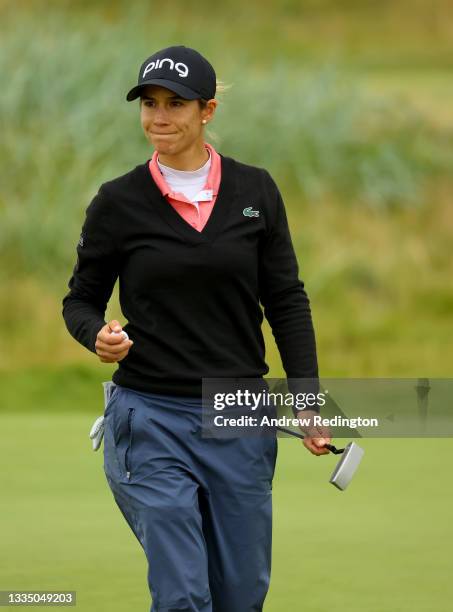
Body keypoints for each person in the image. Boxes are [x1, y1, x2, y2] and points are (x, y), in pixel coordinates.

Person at [62, 44, 331, 612]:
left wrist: (305, 395)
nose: (159, 117)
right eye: (150, 103)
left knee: (240, 595)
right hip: (150, 414)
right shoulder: (117, 202)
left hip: (240, 414)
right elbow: (81, 300)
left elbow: (285, 299)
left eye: (175, 104)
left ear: (207, 110)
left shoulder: (257, 192)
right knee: (183, 593)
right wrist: (98, 336)